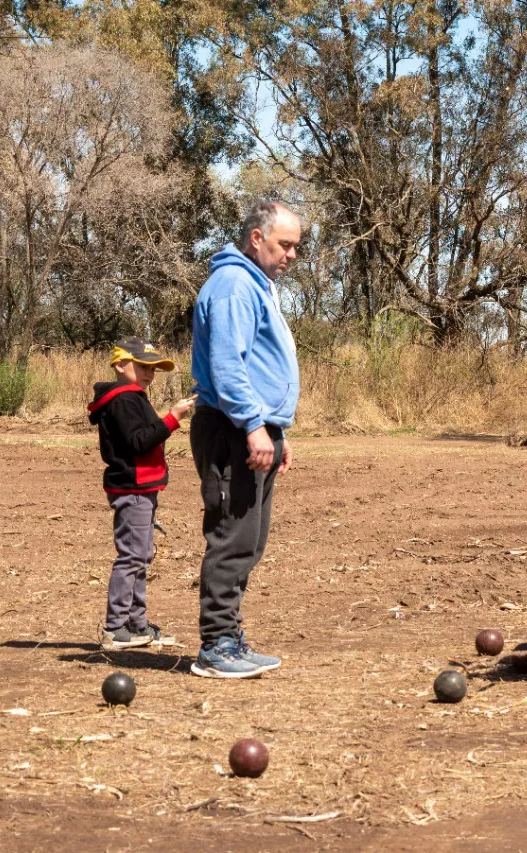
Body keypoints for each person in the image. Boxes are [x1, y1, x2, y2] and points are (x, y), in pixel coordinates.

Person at [188, 199, 302, 678]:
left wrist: (275, 429)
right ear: (257, 238)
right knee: (233, 536)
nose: (292, 255)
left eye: (297, 246)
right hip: (232, 429)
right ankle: (216, 646)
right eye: (284, 244)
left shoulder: (256, 285)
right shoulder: (235, 284)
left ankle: (231, 638)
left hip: (255, 428)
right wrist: (255, 426)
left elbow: (256, 364)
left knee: (250, 539)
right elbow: (228, 366)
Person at [87, 336, 196, 650]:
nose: (150, 373)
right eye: (143, 366)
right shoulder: (123, 399)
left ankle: (136, 625)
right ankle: (115, 626)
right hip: (132, 487)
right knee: (132, 556)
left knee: (140, 556)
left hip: (142, 487)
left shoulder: (134, 397)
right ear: (120, 365)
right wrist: (173, 418)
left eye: (154, 368)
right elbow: (139, 441)